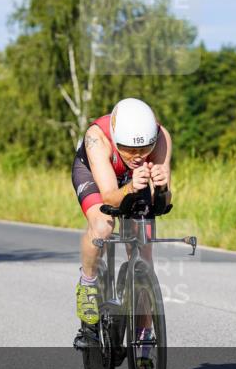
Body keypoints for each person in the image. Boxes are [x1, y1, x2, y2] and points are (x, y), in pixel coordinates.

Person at [71, 98, 172, 328]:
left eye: (145, 148)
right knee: (103, 225)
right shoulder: (96, 138)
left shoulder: (161, 137)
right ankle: (87, 284)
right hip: (95, 175)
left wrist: (163, 187)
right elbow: (108, 196)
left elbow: (163, 201)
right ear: (116, 140)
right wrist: (130, 187)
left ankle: (144, 337)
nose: (138, 156)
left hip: (132, 180)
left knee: (144, 255)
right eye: (130, 149)